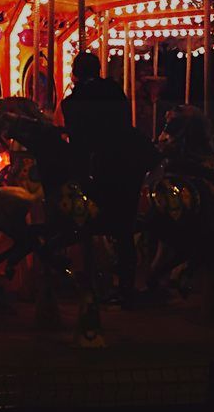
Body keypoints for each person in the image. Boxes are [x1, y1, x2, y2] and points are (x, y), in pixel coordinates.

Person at [60, 53, 154, 305]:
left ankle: (88, 277)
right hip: (131, 155)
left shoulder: (73, 101)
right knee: (125, 227)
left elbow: (78, 138)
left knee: (85, 216)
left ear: (75, 72)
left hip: (101, 160)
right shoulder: (113, 89)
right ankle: (126, 285)